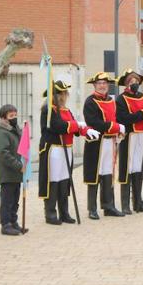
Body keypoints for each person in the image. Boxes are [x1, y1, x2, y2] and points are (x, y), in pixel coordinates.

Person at [39, 81, 91, 224]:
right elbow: (57, 126)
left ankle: (64, 212)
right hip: (54, 149)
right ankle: (50, 213)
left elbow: (75, 126)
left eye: (65, 93)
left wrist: (86, 131)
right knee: (54, 180)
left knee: (64, 181)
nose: (65, 96)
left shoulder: (66, 110)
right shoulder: (48, 110)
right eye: (62, 93)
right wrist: (76, 125)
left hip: (66, 148)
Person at [82, 73, 124, 219]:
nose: (102, 85)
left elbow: (116, 118)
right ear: (94, 85)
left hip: (110, 141)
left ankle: (108, 206)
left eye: (104, 83)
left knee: (108, 174)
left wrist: (118, 131)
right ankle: (92, 209)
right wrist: (115, 127)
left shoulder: (112, 101)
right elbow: (94, 123)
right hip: (96, 142)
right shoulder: (90, 102)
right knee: (94, 175)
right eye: (99, 83)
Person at [115, 69, 143, 214]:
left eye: (137, 81)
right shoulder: (121, 99)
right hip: (129, 136)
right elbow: (124, 118)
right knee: (127, 168)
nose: (135, 84)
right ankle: (125, 204)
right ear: (126, 84)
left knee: (138, 168)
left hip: (142, 135)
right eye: (132, 81)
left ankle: (138, 203)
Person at [0, 104, 25, 234]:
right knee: (7, 201)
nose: (14, 118)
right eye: (11, 116)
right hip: (8, 174)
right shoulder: (3, 133)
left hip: (16, 174)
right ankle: (5, 224)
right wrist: (18, 165)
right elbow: (3, 153)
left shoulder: (15, 131)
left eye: (15, 115)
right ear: (4, 118)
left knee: (15, 200)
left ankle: (13, 221)